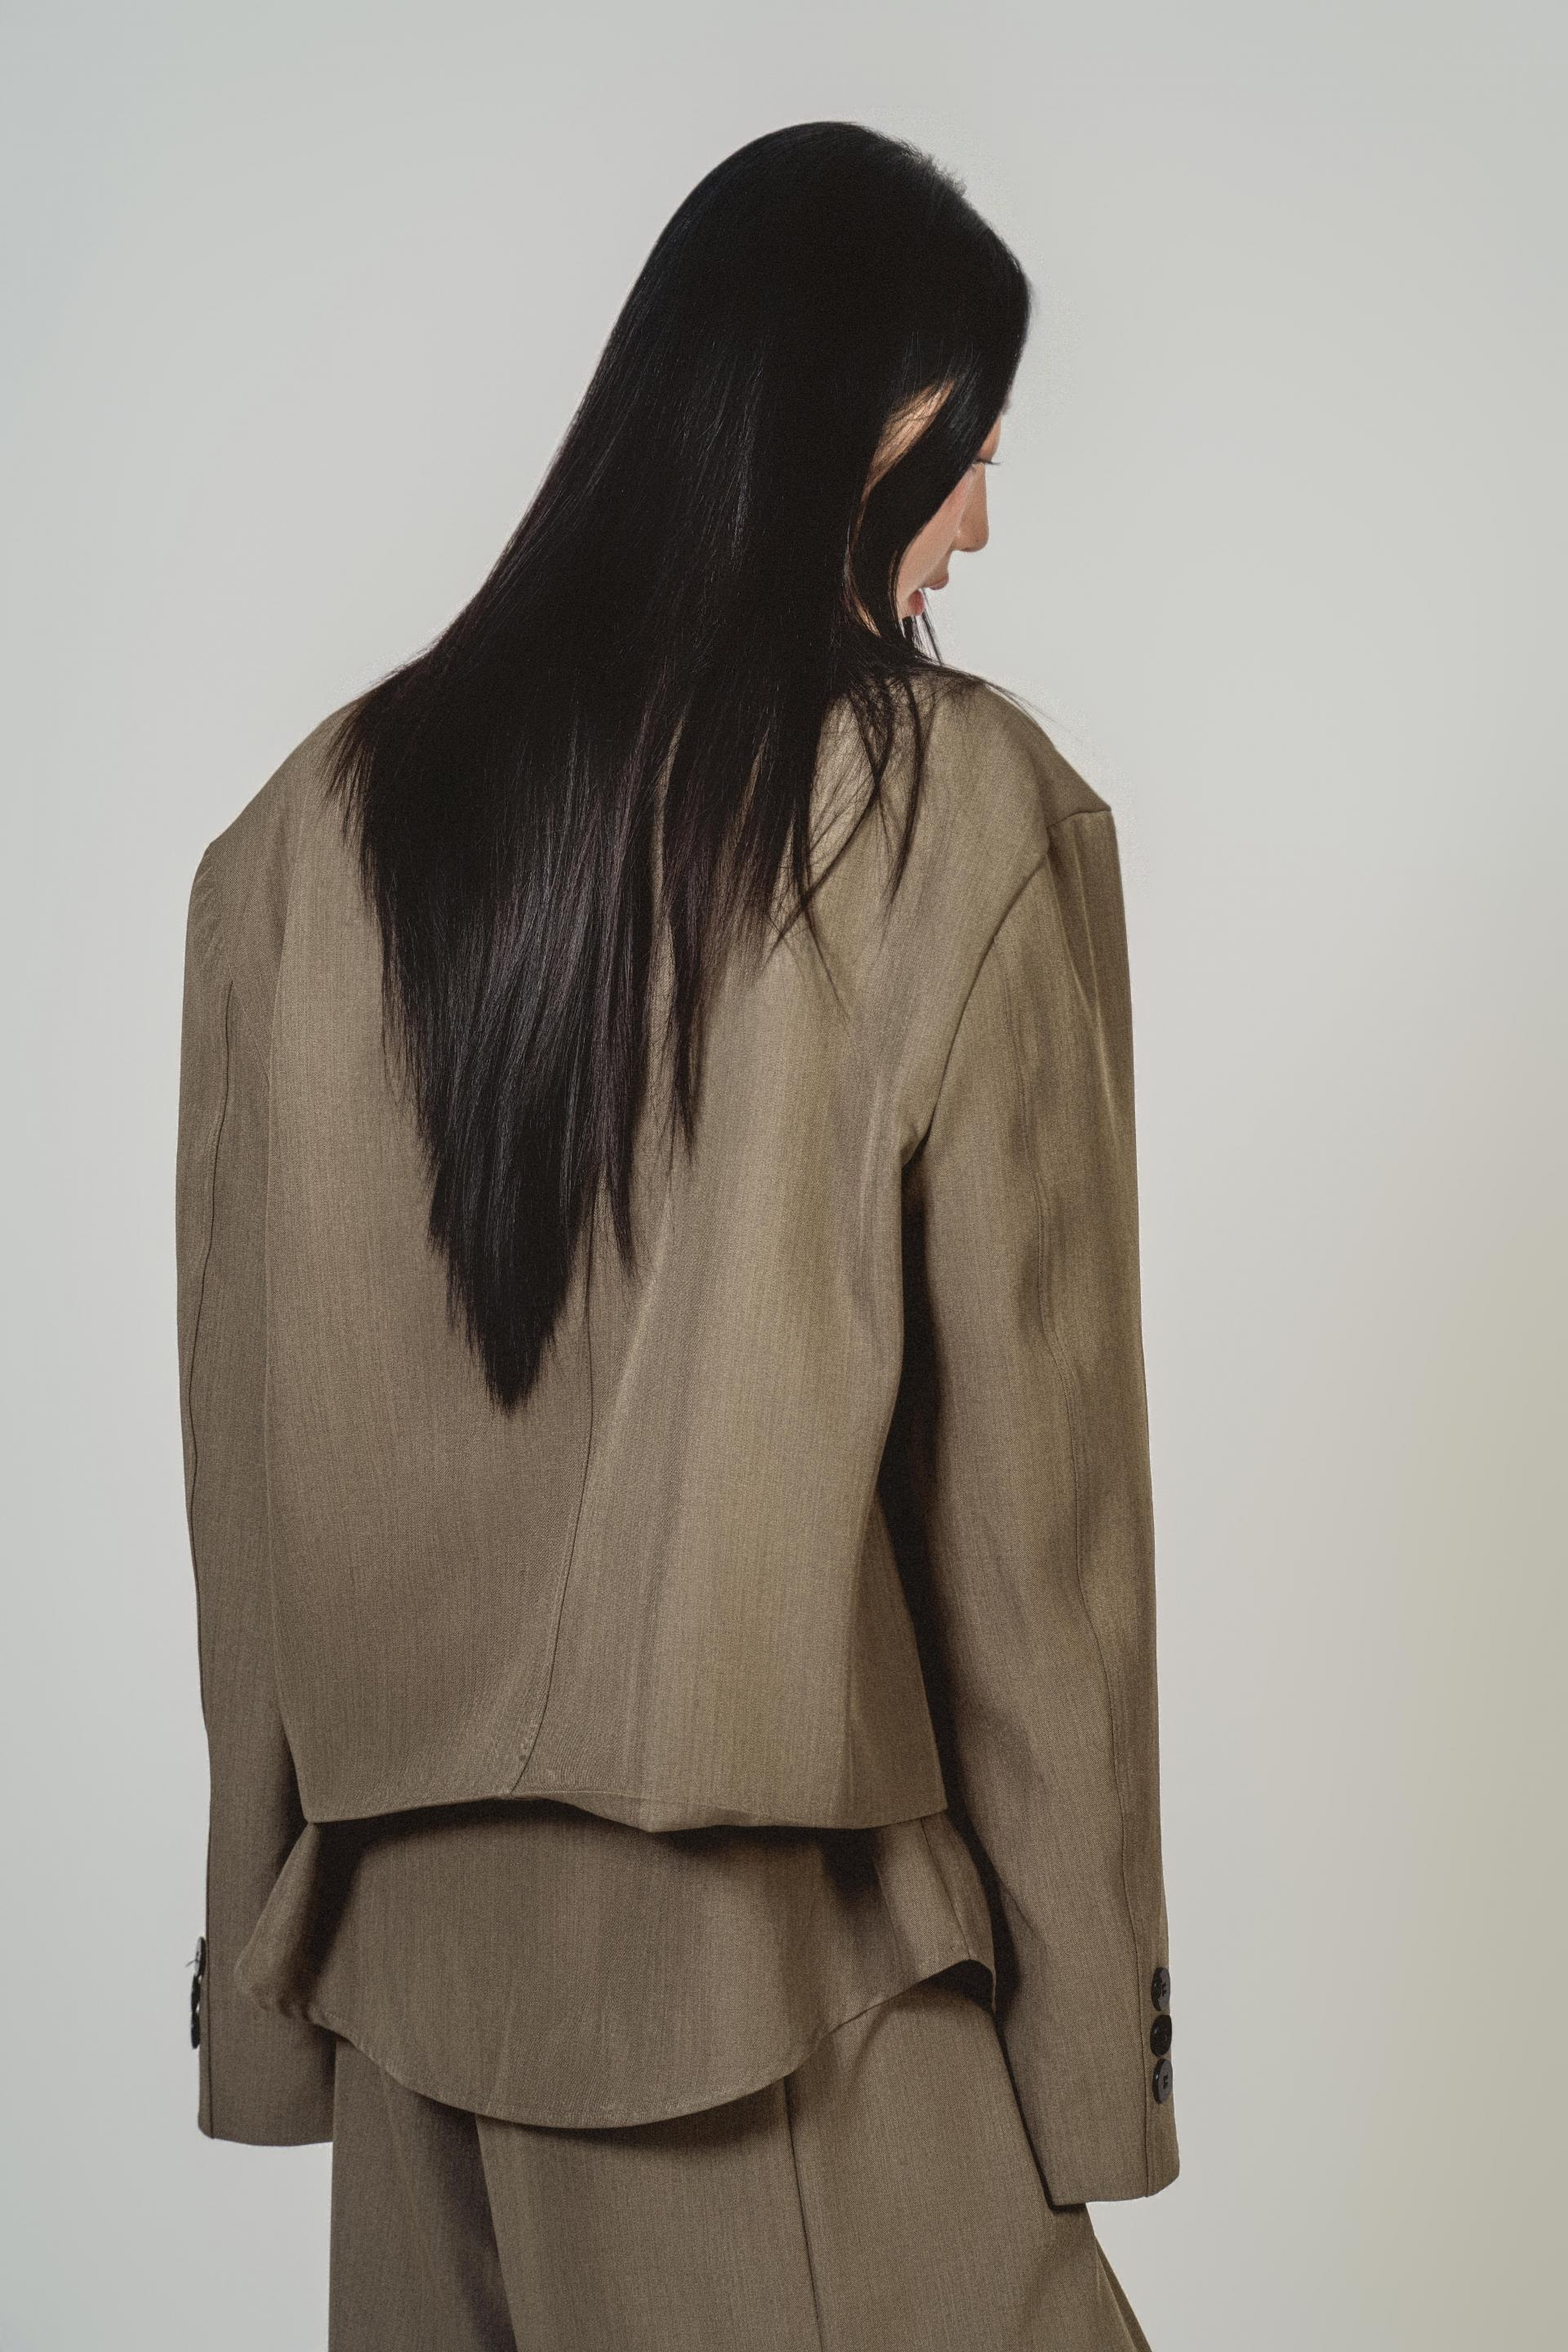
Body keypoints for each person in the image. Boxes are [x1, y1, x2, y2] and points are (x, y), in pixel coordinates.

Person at [175, 119, 1178, 2350]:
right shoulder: (953, 817)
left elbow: (248, 1480)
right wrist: (1091, 2060)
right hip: (797, 2039)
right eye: (978, 445)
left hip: (415, 2037)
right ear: (870, 421)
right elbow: (1041, 1547)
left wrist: (261, 1975)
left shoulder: (299, 844)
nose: (983, 518)